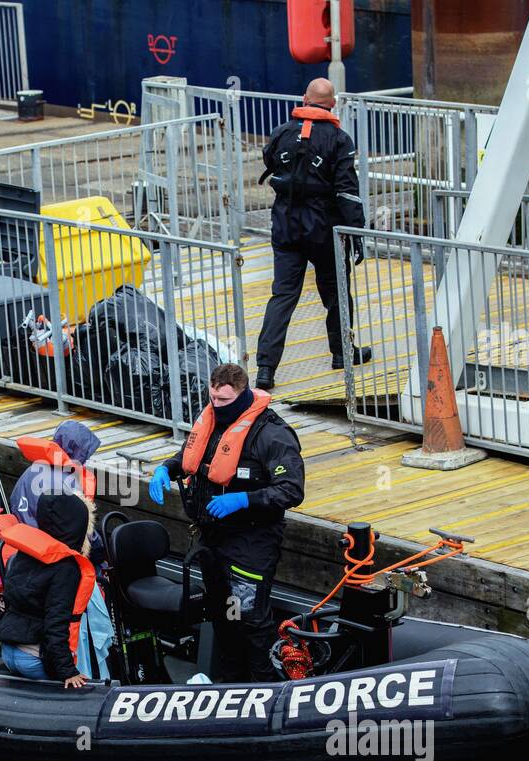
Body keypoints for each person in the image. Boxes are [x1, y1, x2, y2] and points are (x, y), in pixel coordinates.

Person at [148, 363, 303, 682]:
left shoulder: (271, 434)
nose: (215, 406)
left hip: (250, 542)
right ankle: (229, 684)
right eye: (212, 398)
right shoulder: (210, 422)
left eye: (223, 400)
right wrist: (167, 468)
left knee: (251, 618)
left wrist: (244, 499)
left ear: (242, 395)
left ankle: (266, 691)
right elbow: (190, 459)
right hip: (211, 540)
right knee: (222, 616)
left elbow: (291, 489)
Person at [254, 77, 372, 389]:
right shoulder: (339, 140)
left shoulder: (282, 132)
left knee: (282, 295)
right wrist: (356, 233)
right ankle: (342, 353)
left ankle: (265, 369)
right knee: (335, 292)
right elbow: (347, 191)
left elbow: (269, 160)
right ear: (333, 105)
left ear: (304, 99)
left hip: (286, 225)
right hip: (323, 227)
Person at [0, 493, 96, 689]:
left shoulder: (25, 552)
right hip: (33, 660)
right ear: (77, 525)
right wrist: (68, 671)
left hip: (8, 652)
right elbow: (56, 624)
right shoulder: (66, 569)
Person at [9, 420, 100, 528]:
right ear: (78, 451)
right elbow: (75, 527)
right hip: (45, 540)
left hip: (21, 533)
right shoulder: (70, 483)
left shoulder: (31, 470)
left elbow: (14, 502)